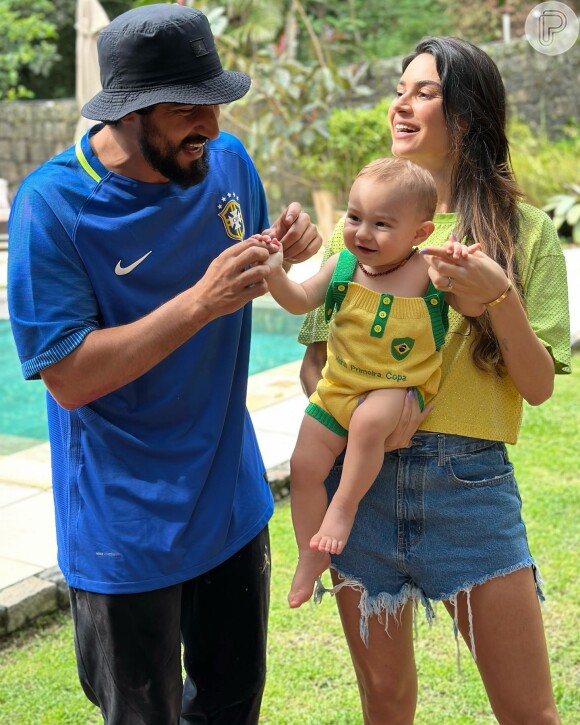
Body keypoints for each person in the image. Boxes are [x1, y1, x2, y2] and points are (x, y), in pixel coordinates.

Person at [7, 5, 320, 724]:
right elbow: (70, 375)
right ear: (125, 114)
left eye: (213, 103)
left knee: (233, 705)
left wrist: (284, 254)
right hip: (125, 533)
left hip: (231, 507)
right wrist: (200, 301)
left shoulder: (226, 163)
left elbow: (260, 268)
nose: (207, 127)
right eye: (185, 110)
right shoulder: (53, 207)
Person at [299, 37, 570, 724]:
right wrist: (365, 424)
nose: (401, 102)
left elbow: (537, 386)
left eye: (425, 91)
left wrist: (498, 296)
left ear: (468, 116)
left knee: (529, 711)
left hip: (469, 490)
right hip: (359, 494)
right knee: (384, 701)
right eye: (400, 88)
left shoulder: (524, 232)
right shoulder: (361, 229)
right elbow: (316, 363)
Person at [261, 157, 483, 609]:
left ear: (420, 234)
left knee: (366, 425)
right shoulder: (342, 267)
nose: (362, 233)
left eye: (382, 224)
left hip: (398, 389)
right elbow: (300, 300)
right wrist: (274, 272)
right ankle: (309, 554)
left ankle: (342, 510)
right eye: (355, 217)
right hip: (339, 388)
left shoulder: (426, 271)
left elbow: (474, 309)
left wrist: (456, 274)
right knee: (303, 465)